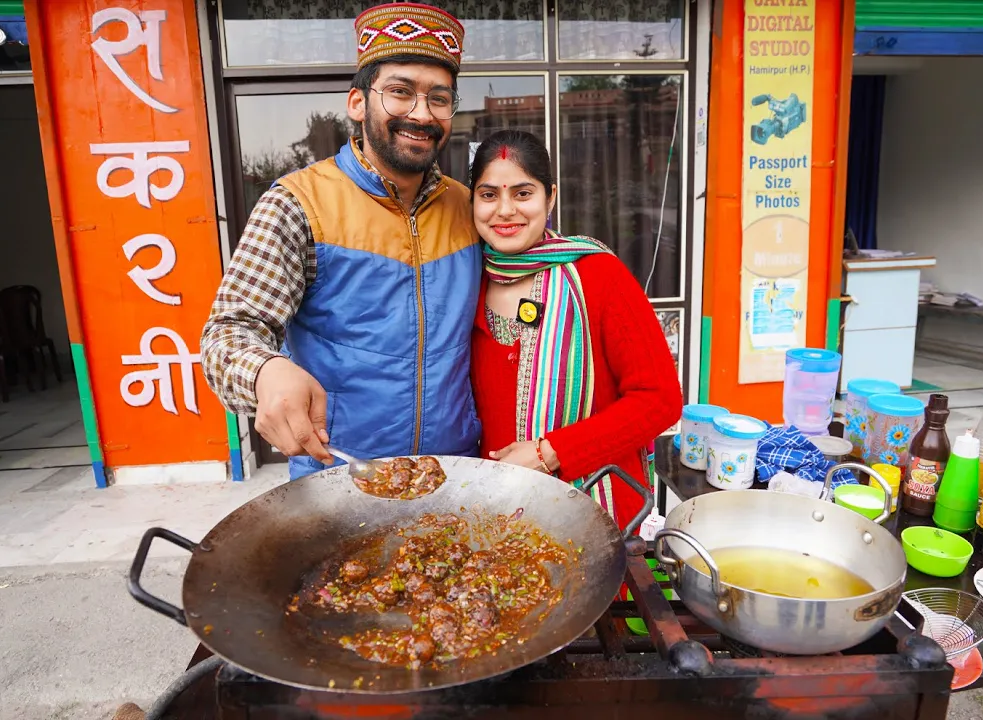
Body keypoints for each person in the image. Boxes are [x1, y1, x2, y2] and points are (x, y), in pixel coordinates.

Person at [200, 3, 480, 480]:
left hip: (456, 472)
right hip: (341, 478)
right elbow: (228, 334)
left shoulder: (469, 207)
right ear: (357, 102)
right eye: (400, 92)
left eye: (439, 98)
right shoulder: (297, 203)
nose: (421, 113)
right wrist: (267, 371)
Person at [468, 130, 683, 531]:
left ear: (550, 197)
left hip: (593, 510)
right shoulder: (464, 280)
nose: (504, 210)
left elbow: (660, 400)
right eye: (488, 194)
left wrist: (550, 452)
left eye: (522, 193)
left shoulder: (598, 276)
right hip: (497, 512)